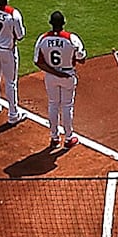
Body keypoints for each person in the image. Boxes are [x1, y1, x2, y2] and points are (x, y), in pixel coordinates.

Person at [35, 11, 85, 151]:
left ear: (50, 23)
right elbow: (82, 58)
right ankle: (68, 138)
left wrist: (55, 72)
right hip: (68, 75)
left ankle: (54, 138)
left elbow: (38, 62)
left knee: (53, 104)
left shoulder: (43, 39)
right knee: (67, 106)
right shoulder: (71, 39)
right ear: (64, 23)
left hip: (51, 76)